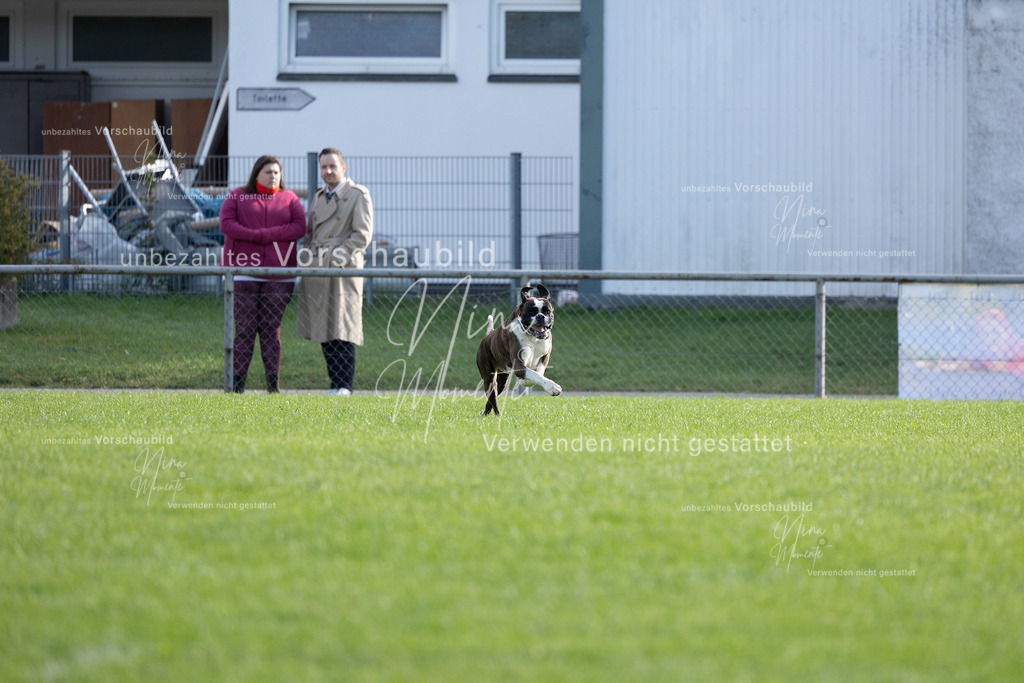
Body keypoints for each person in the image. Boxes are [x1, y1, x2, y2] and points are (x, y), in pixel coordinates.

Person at [220, 155, 306, 393]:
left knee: (271, 330)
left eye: (277, 172)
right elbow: (226, 224)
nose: (273, 176)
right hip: (242, 274)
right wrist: (257, 236)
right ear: (256, 173)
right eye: (268, 172)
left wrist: (267, 234)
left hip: (279, 276)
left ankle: (273, 386)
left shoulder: (289, 199)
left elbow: (300, 227)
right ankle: (236, 386)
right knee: (245, 329)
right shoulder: (237, 196)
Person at [297, 148, 373, 395]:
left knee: (343, 326)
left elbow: (362, 236)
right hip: (318, 269)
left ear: (344, 167)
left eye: (332, 166)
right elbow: (311, 233)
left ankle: (344, 385)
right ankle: (334, 383)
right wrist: (308, 258)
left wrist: (333, 258)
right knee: (323, 327)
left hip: (343, 270)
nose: (328, 171)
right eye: (323, 167)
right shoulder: (319, 196)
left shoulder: (358, 195)